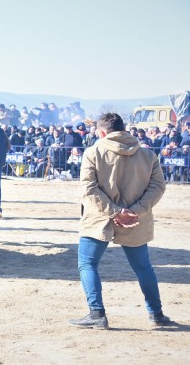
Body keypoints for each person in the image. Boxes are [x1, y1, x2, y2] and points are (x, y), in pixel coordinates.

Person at [69, 112, 170, 329]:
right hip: (135, 220)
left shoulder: (93, 152)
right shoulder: (148, 155)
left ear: (103, 132)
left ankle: (97, 313)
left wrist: (115, 212)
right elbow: (158, 187)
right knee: (143, 267)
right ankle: (157, 314)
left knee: (87, 264)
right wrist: (135, 211)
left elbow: (89, 188)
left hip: (99, 219)